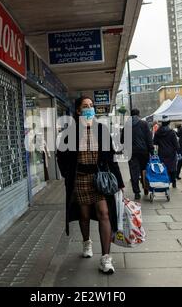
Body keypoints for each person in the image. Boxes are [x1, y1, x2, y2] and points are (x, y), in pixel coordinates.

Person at [56, 96, 124, 275]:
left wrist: (120, 182)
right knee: (84, 215)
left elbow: (111, 158)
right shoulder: (69, 132)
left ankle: (106, 259)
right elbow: (60, 156)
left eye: (91, 106)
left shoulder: (102, 130)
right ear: (78, 111)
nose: (89, 109)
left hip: (100, 178)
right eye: (85, 106)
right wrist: (67, 175)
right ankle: (86, 242)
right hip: (80, 179)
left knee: (104, 213)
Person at [123, 109, 154, 200]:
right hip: (143, 152)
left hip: (131, 153)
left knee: (134, 172)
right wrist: (151, 150)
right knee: (144, 170)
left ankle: (136, 192)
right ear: (138, 114)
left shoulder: (126, 126)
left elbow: (122, 140)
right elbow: (149, 138)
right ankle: (146, 187)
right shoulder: (144, 124)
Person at [154, 115, 179, 188]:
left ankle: (166, 182)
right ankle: (173, 182)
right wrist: (178, 151)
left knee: (164, 168)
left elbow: (155, 142)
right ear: (168, 123)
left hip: (161, 153)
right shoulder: (172, 132)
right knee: (173, 168)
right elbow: (176, 144)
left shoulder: (157, 132)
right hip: (171, 153)